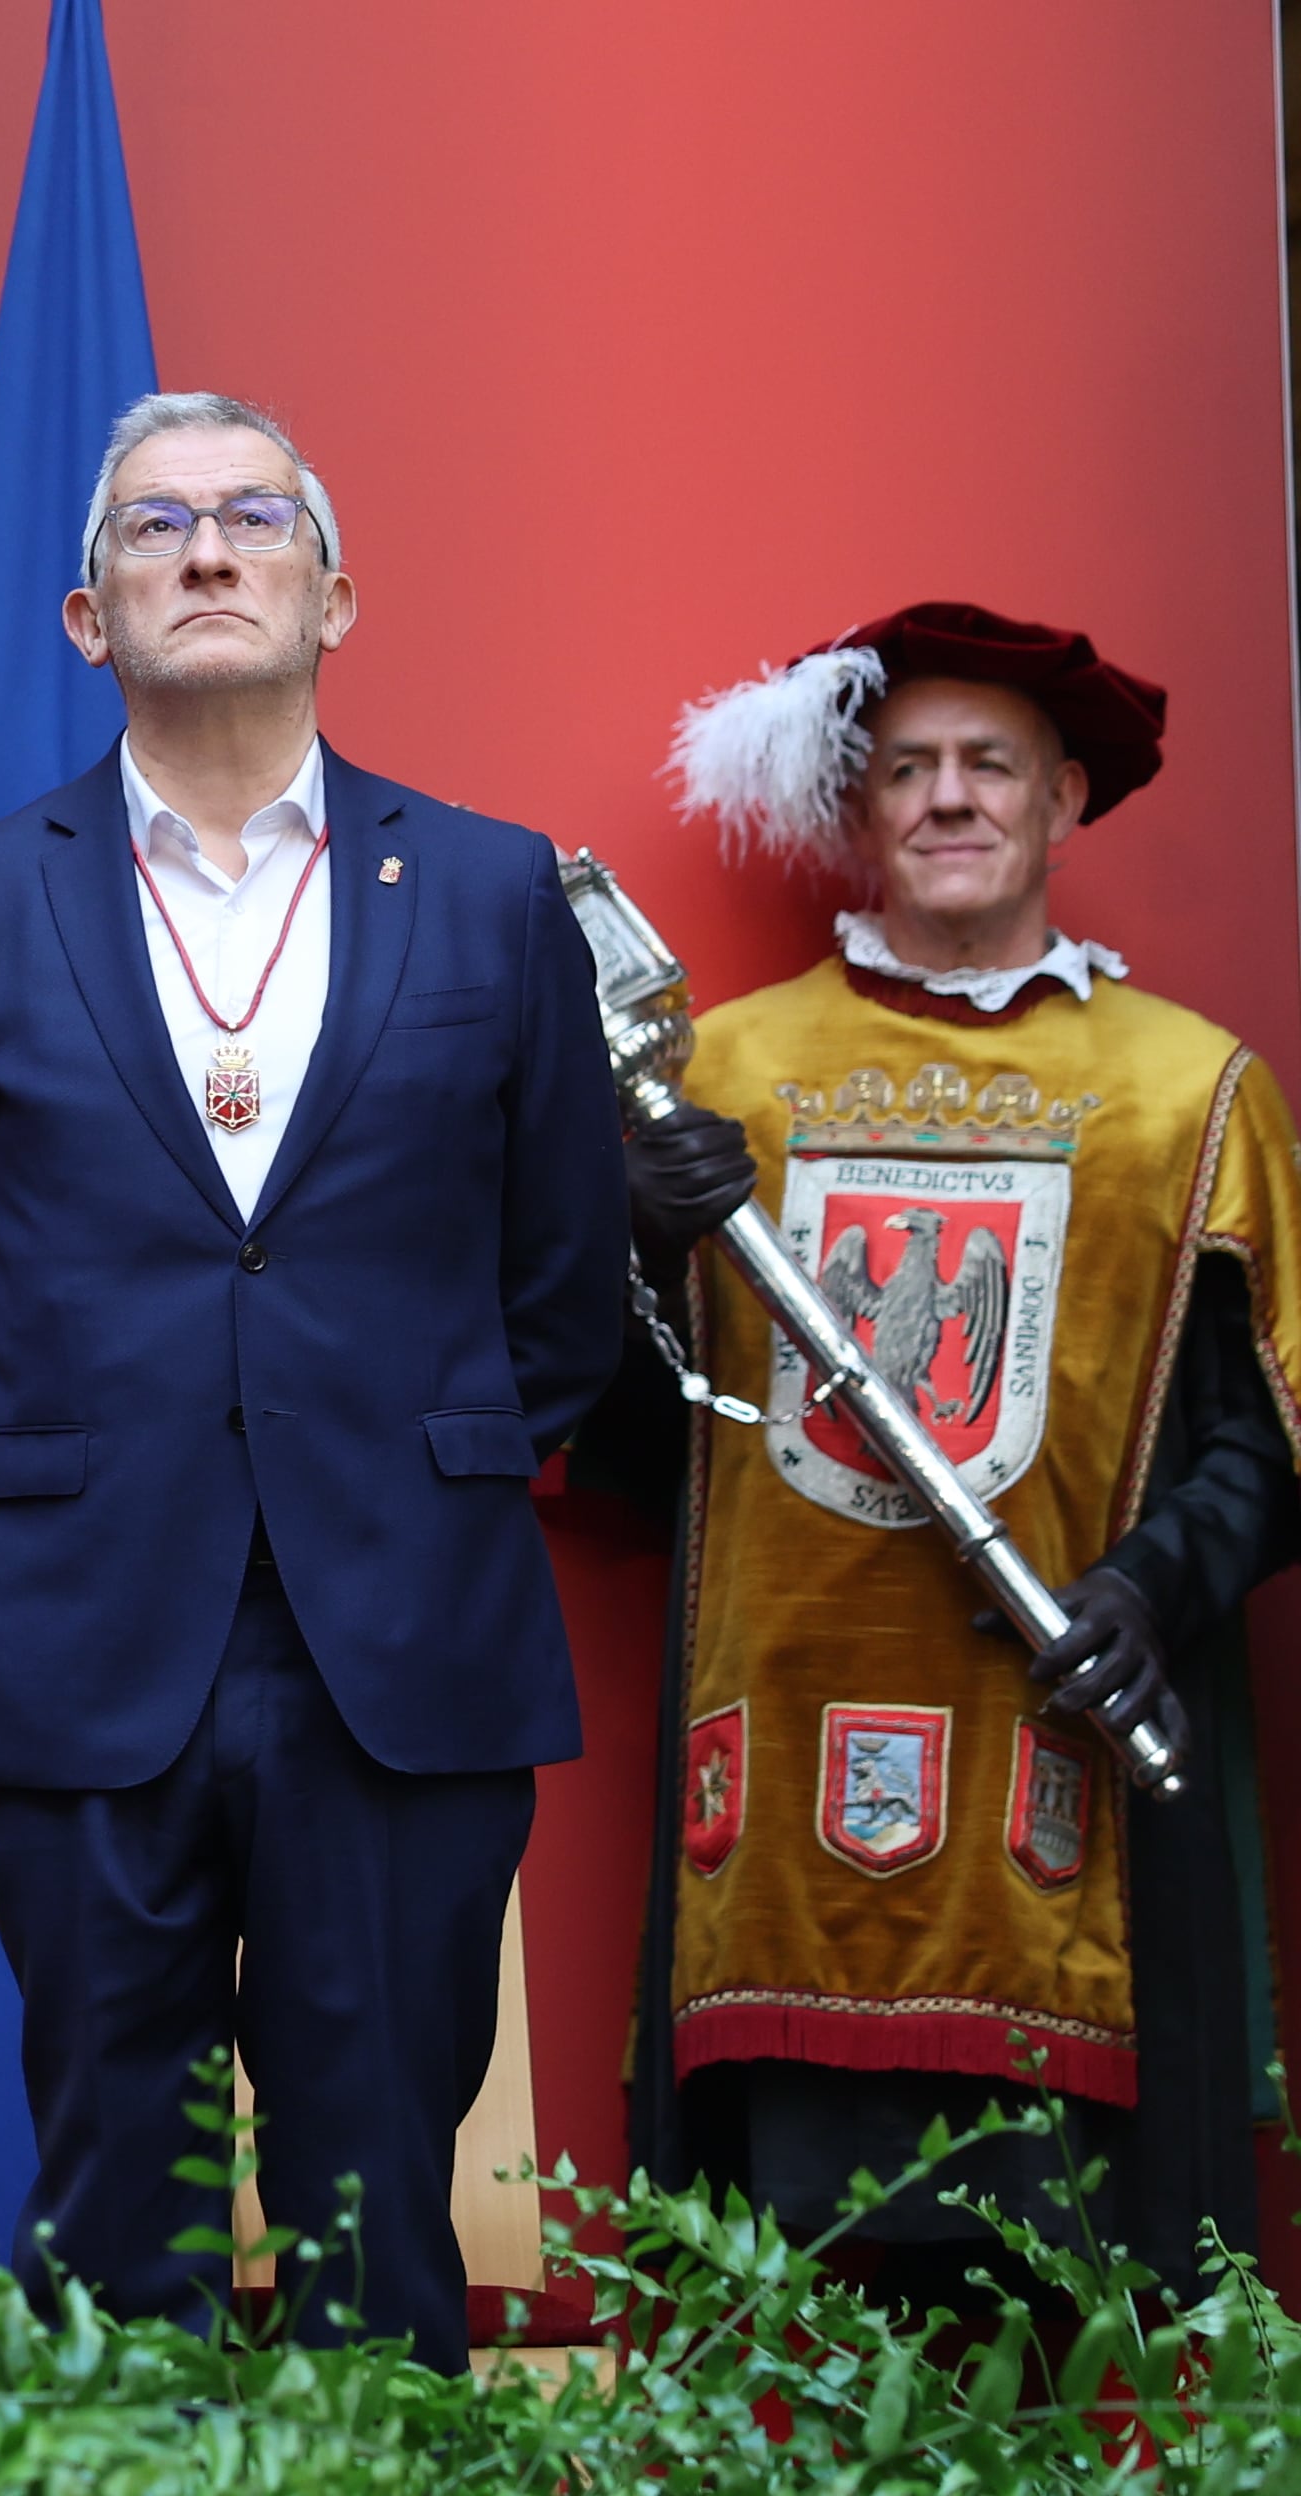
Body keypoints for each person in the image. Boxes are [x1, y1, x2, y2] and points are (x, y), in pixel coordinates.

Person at [0, 392, 626, 2369]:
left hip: (404, 1636)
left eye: (253, 518)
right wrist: (103, 1491)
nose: (205, 551)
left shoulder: (489, 893)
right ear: (85, 614)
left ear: (335, 593)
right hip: (83, 1643)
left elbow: (562, 1288)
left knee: (383, 2222)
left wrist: (393, 1468)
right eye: (154, 527)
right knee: (122, 2220)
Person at [594, 602, 1301, 2295]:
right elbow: (631, 1448)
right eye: (906, 768)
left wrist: (1147, 1588)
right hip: (767, 1827)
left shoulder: (1190, 1095)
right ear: (860, 814)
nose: (949, 798)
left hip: (1071, 1807)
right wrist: (625, 1240)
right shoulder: (727, 1077)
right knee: (798, 2341)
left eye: (990, 764)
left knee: (1064, 2335)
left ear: (1065, 801)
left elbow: (1269, 1447)